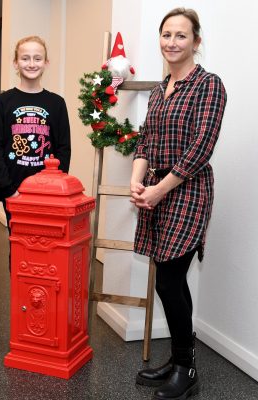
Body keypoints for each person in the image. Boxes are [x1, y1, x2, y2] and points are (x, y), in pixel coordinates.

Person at [130, 8, 227, 400]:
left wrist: (158, 190)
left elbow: (201, 147)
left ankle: (185, 369)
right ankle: (178, 360)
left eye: (181, 36)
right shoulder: (159, 89)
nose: (172, 42)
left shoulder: (209, 86)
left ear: (196, 42)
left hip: (186, 190)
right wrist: (137, 181)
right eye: (166, 35)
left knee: (170, 278)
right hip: (155, 189)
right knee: (168, 279)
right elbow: (146, 141)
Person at [0, 36, 71, 231]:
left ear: (46, 63)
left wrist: (55, 187)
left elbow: (64, 149)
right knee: (18, 246)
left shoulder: (57, 103)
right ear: (16, 63)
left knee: (46, 244)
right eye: (25, 58)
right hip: (13, 189)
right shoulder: (2, 101)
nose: (31, 64)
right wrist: (9, 190)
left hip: (47, 190)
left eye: (37, 58)